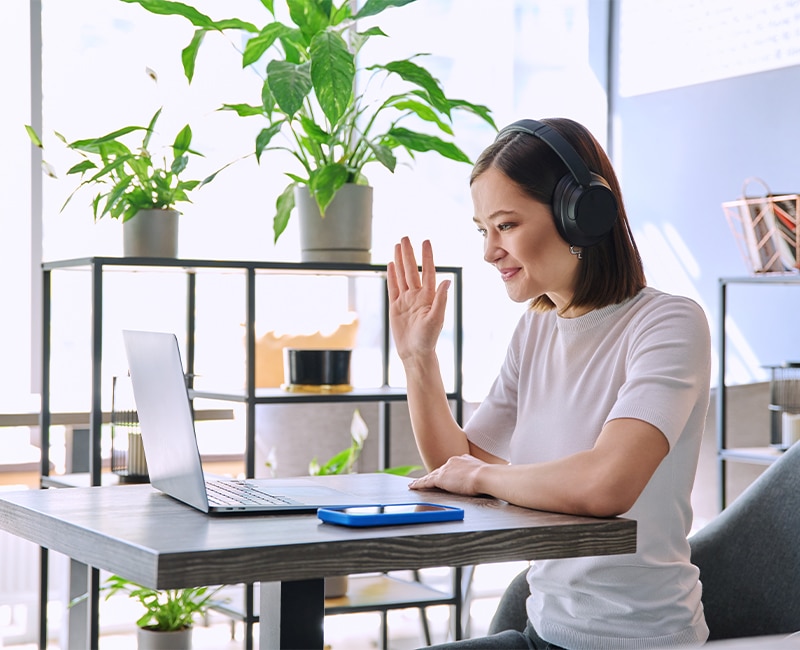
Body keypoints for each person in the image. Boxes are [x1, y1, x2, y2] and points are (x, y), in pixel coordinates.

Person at [387, 117, 711, 649]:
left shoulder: (669, 323)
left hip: (638, 641)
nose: (489, 251)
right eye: (482, 230)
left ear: (582, 214)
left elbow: (606, 484)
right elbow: (457, 463)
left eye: (506, 225)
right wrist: (417, 356)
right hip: (546, 634)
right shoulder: (536, 327)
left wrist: (480, 478)